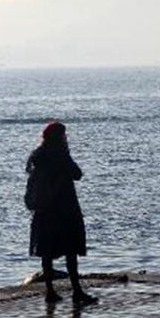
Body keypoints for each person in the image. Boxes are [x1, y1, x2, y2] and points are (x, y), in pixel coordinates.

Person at [26, 121, 97, 305]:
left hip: (44, 210)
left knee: (47, 252)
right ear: (60, 137)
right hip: (65, 208)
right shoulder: (61, 155)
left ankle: (50, 291)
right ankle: (76, 291)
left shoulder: (37, 156)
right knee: (71, 250)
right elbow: (77, 174)